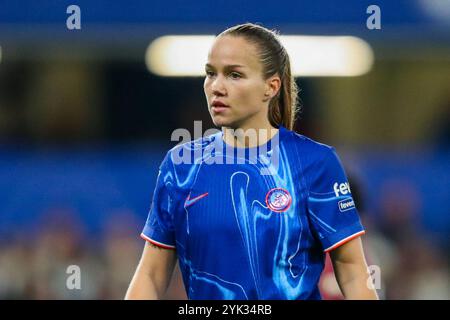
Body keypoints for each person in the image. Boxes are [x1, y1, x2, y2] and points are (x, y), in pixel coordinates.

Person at [125, 23, 378, 300]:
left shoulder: (316, 163)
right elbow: (151, 274)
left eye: (234, 75)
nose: (217, 87)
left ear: (271, 87)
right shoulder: (182, 166)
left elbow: (352, 270)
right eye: (211, 74)